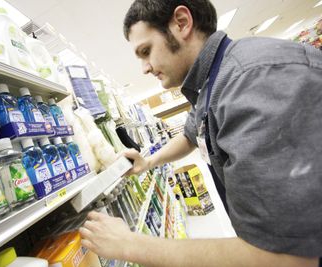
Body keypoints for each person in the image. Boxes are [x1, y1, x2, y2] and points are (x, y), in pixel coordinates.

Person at [79, 0, 322, 266]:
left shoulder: (252, 82)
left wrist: (131, 245)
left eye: (146, 51)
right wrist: (148, 162)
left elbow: (286, 259)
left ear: (182, 23)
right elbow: (191, 135)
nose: (145, 68)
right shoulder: (213, 85)